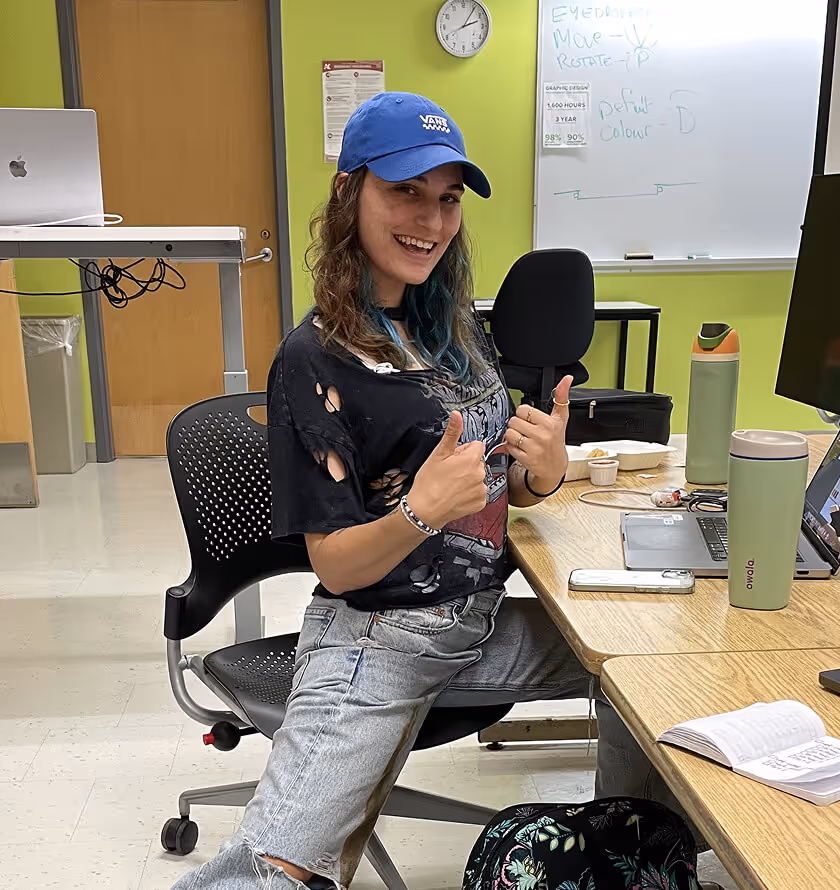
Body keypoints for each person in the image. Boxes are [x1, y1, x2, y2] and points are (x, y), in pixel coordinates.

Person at [172, 92, 695, 890]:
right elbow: (338, 566)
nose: (431, 219)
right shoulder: (315, 360)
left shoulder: (451, 326)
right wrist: (419, 511)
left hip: (476, 624)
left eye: (447, 198)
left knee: (641, 659)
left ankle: (632, 860)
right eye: (405, 192)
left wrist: (541, 469)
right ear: (351, 194)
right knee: (267, 871)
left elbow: (493, 484)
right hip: (377, 638)